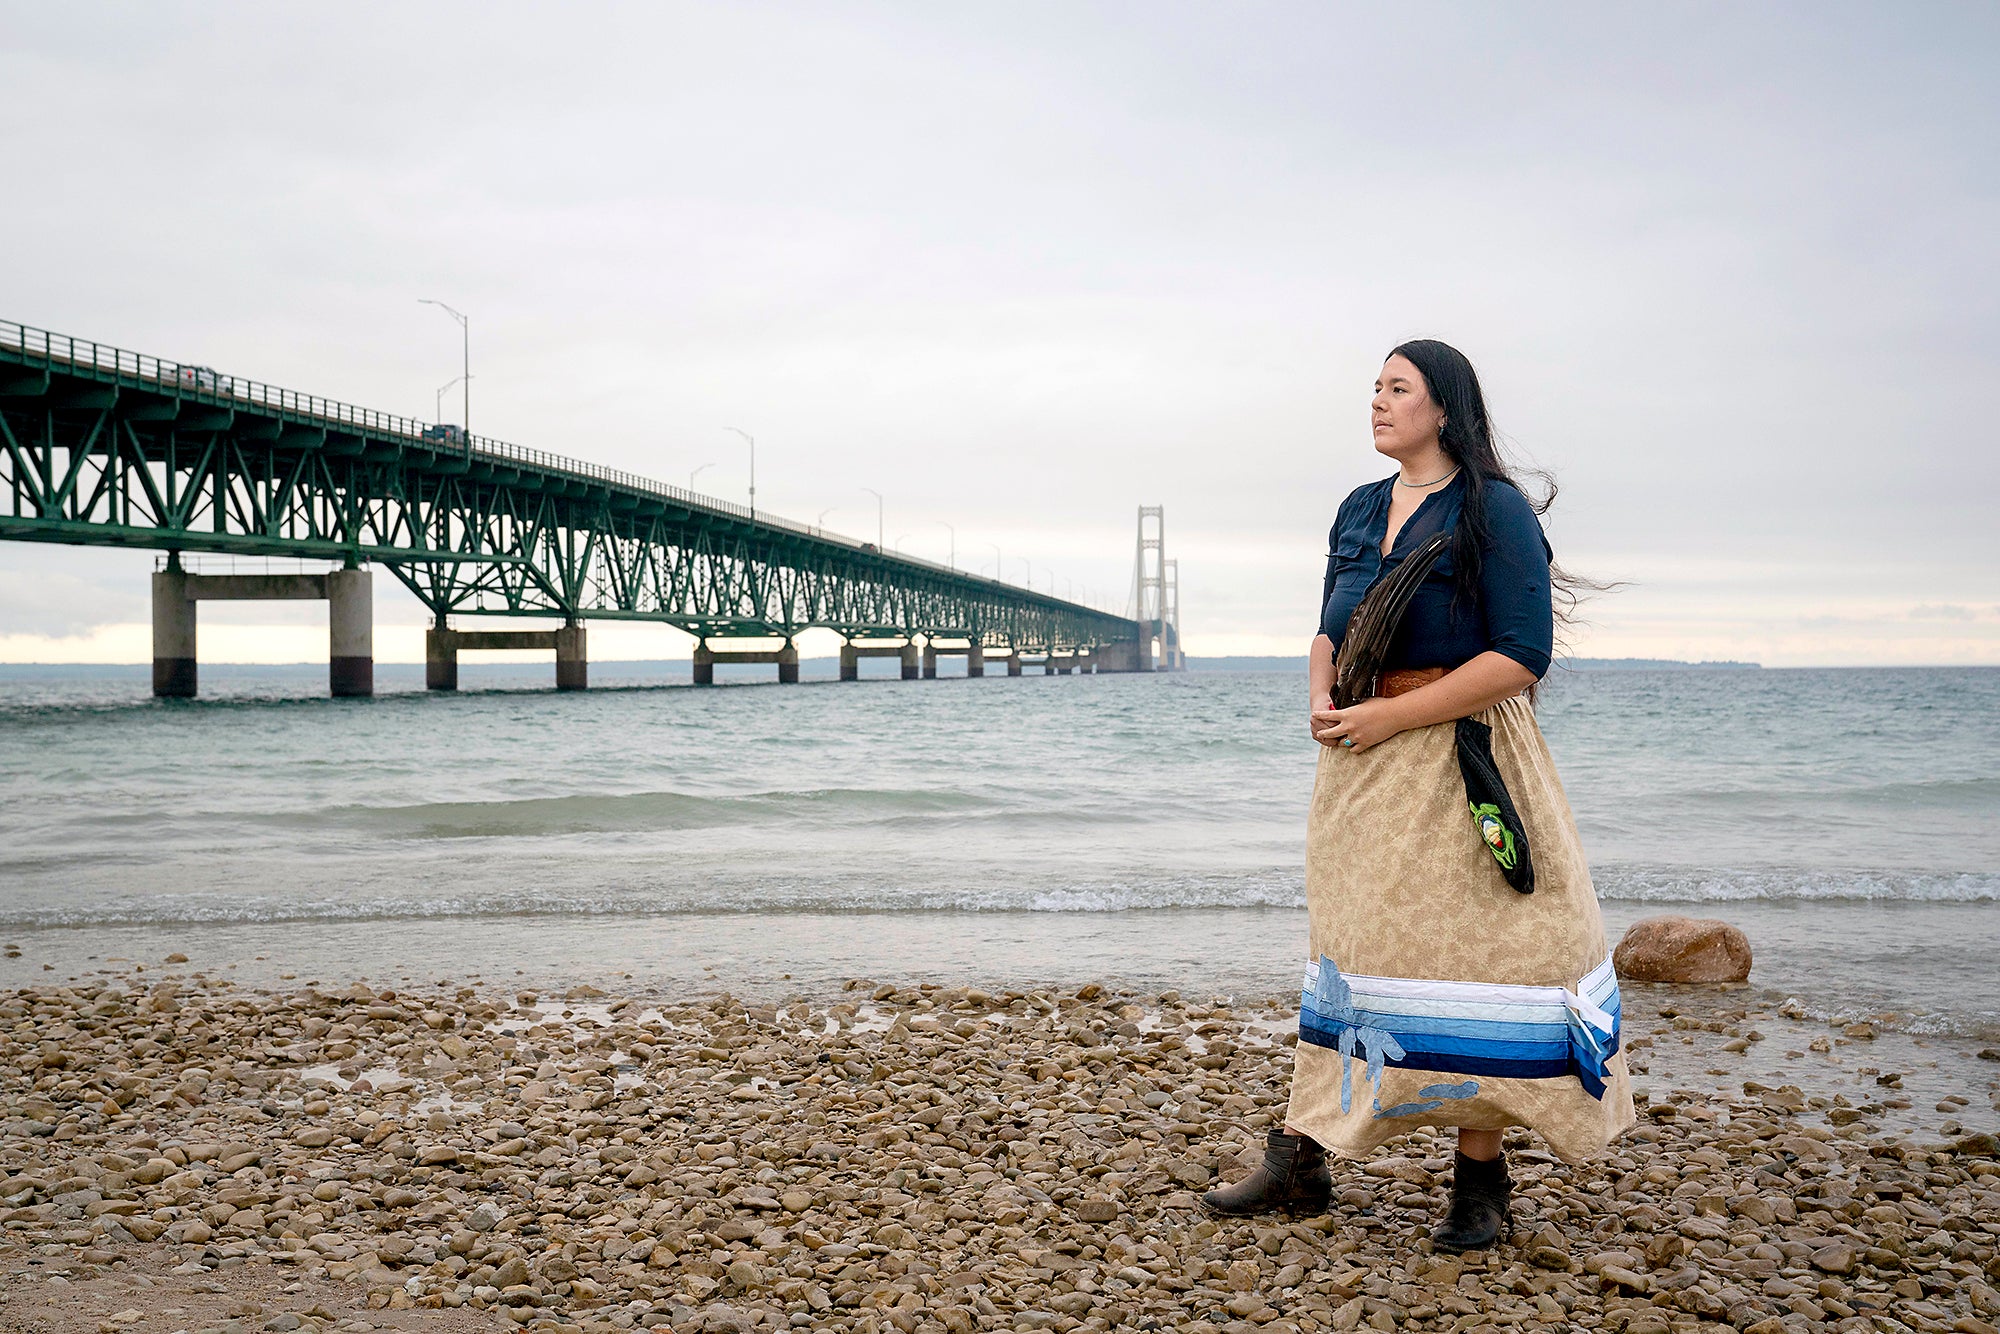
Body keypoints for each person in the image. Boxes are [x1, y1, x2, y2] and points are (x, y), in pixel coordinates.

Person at [1202, 340, 1635, 1251]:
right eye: (1374, 388)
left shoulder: (1493, 510)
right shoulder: (1360, 509)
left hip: (1464, 758)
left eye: (1397, 388)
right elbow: (1331, 624)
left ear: (1444, 408)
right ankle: (1303, 1156)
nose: (1377, 401)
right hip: (1361, 761)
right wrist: (1322, 693)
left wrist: (1395, 721)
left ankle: (1480, 1185)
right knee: (1349, 948)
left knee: (1487, 958)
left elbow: (1520, 655)